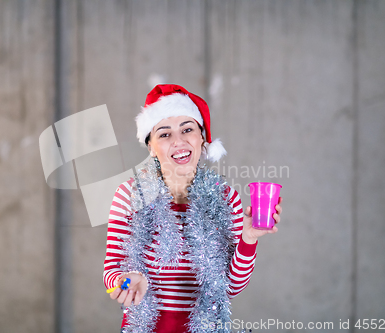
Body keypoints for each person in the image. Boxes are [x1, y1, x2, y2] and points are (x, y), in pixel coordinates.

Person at [103, 84, 282, 333]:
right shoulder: (130, 195)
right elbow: (112, 273)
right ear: (151, 148)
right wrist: (126, 282)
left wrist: (248, 239)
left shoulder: (226, 198)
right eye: (164, 134)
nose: (179, 141)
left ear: (202, 139)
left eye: (188, 129)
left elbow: (229, 288)